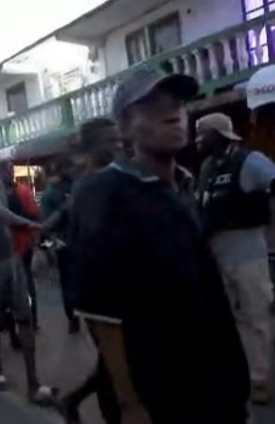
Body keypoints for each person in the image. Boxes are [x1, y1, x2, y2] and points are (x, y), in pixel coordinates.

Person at [71, 68, 250, 423]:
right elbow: (101, 310)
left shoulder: (182, 185)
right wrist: (129, 403)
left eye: (177, 105)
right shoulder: (104, 191)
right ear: (124, 129)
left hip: (216, 381)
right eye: (153, 108)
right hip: (159, 393)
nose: (173, 115)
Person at [196, 112, 275, 405]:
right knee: (225, 317)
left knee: (255, 314)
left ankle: (259, 377)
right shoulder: (207, 167)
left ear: (219, 134)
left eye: (202, 133)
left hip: (246, 248)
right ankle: (235, 371)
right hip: (216, 250)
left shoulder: (248, 160)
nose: (197, 139)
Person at [0, 140, 53, 404]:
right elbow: (1, 214)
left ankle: (34, 383)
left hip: (10, 259)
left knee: (24, 317)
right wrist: (32, 224)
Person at [58, 118, 122, 424]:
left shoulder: (109, 179)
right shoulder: (91, 186)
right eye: (110, 140)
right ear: (92, 147)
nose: (118, 145)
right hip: (101, 292)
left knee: (115, 361)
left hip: (110, 288)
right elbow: (96, 241)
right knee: (114, 362)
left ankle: (73, 400)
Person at [41, 157, 81, 333]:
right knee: (67, 283)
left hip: (81, 241)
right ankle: (72, 317)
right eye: (69, 167)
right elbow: (46, 225)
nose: (73, 170)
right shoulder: (51, 193)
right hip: (64, 243)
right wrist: (50, 248)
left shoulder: (78, 185)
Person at [0, 160, 41, 329]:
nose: (9, 173)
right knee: (9, 288)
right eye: (6, 170)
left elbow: (35, 215)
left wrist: (34, 239)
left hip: (22, 246)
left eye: (10, 170)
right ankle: (13, 324)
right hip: (5, 248)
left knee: (25, 284)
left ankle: (31, 320)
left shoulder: (22, 191)